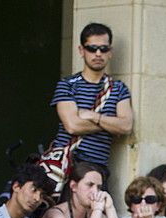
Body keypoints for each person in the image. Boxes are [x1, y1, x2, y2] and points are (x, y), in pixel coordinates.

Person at [50, 23, 134, 170]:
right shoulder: (67, 85)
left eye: (104, 49)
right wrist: (110, 124)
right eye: (92, 48)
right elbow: (73, 126)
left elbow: (126, 126)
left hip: (97, 167)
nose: (98, 54)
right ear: (81, 50)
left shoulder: (119, 89)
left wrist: (94, 117)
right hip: (65, 164)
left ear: (110, 52)